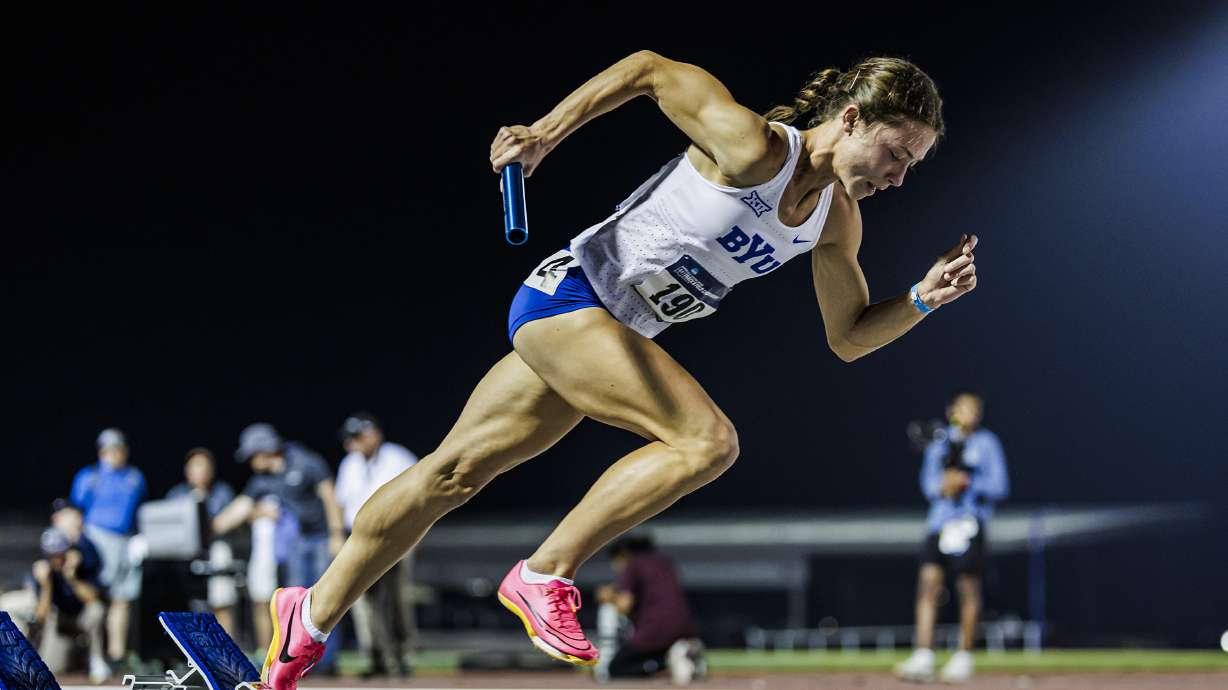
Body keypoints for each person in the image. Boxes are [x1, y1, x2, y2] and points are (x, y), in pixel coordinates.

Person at [258, 51, 979, 690]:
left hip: (607, 330)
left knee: (452, 474)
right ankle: (543, 574)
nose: (900, 176)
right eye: (896, 153)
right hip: (569, 297)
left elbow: (849, 336)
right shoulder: (754, 146)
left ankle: (307, 618)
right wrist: (544, 133)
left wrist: (920, 298)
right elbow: (645, 69)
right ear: (851, 118)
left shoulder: (834, 220)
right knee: (707, 442)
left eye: (912, 164)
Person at [896, 391, 1009, 683]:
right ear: (951, 411)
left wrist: (967, 481)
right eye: (962, 408)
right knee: (928, 585)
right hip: (940, 523)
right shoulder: (939, 441)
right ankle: (924, 655)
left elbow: (1000, 485)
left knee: (968, 589)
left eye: (973, 409)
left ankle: (964, 656)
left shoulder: (987, 443)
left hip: (969, 524)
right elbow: (928, 483)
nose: (967, 413)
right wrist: (942, 486)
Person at [212, 423, 344, 671]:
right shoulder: (263, 480)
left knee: (328, 599)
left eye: (252, 455)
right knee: (298, 604)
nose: (250, 461)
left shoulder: (306, 462)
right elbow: (241, 506)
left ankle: (328, 662)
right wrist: (211, 527)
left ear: (265, 450)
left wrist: (336, 535)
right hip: (297, 543)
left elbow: (329, 495)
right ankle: (303, 661)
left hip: (321, 538)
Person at [333, 412, 418, 677]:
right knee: (362, 600)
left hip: (395, 536)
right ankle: (376, 656)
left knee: (396, 598)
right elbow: (340, 502)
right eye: (349, 439)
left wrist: (415, 535)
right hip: (359, 538)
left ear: (374, 434)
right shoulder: (350, 463)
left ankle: (403, 655)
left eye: (357, 437)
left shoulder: (398, 458)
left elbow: (419, 499)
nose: (352, 444)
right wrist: (337, 535)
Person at [69, 428, 146, 668]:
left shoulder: (135, 477)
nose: (112, 454)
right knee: (97, 595)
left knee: (123, 598)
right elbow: (75, 512)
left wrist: (139, 537)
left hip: (125, 540)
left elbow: (138, 512)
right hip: (97, 539)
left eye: (117, 448)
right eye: (108, 449)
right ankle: (94, 654)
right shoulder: (88, 477)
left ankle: (116, 655)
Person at [595, 536, 704, 684]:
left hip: (655, 630)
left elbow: (624, 605)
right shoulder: (664, 562)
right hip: (685, 628)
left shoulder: (632, 564)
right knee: (651, 653)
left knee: (617, 668)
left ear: (622, 555)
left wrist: (608, 597)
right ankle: (684, 658)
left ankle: (665, 666)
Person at [166, 448, 239, 637]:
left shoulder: (223, 493)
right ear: (187, 470)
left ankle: (226, 655)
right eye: (195, 466)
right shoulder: (176, 494)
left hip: (216, 550)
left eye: (204, 466)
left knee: (222, 601)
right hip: (185, 557)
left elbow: (231, 523)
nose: (200, 471)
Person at [30, 526, 109, 684]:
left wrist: (71, 578)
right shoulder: (44, 572)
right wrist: (46, 585)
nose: (56, 559)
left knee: (97, 610)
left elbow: (93, 598)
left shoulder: (82, 564)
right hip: (62, 621)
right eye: (52, 555)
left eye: (59, 553)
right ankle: (76, 657)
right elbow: (41, 616)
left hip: (83, 617)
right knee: (51, 668)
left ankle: (96, 659)